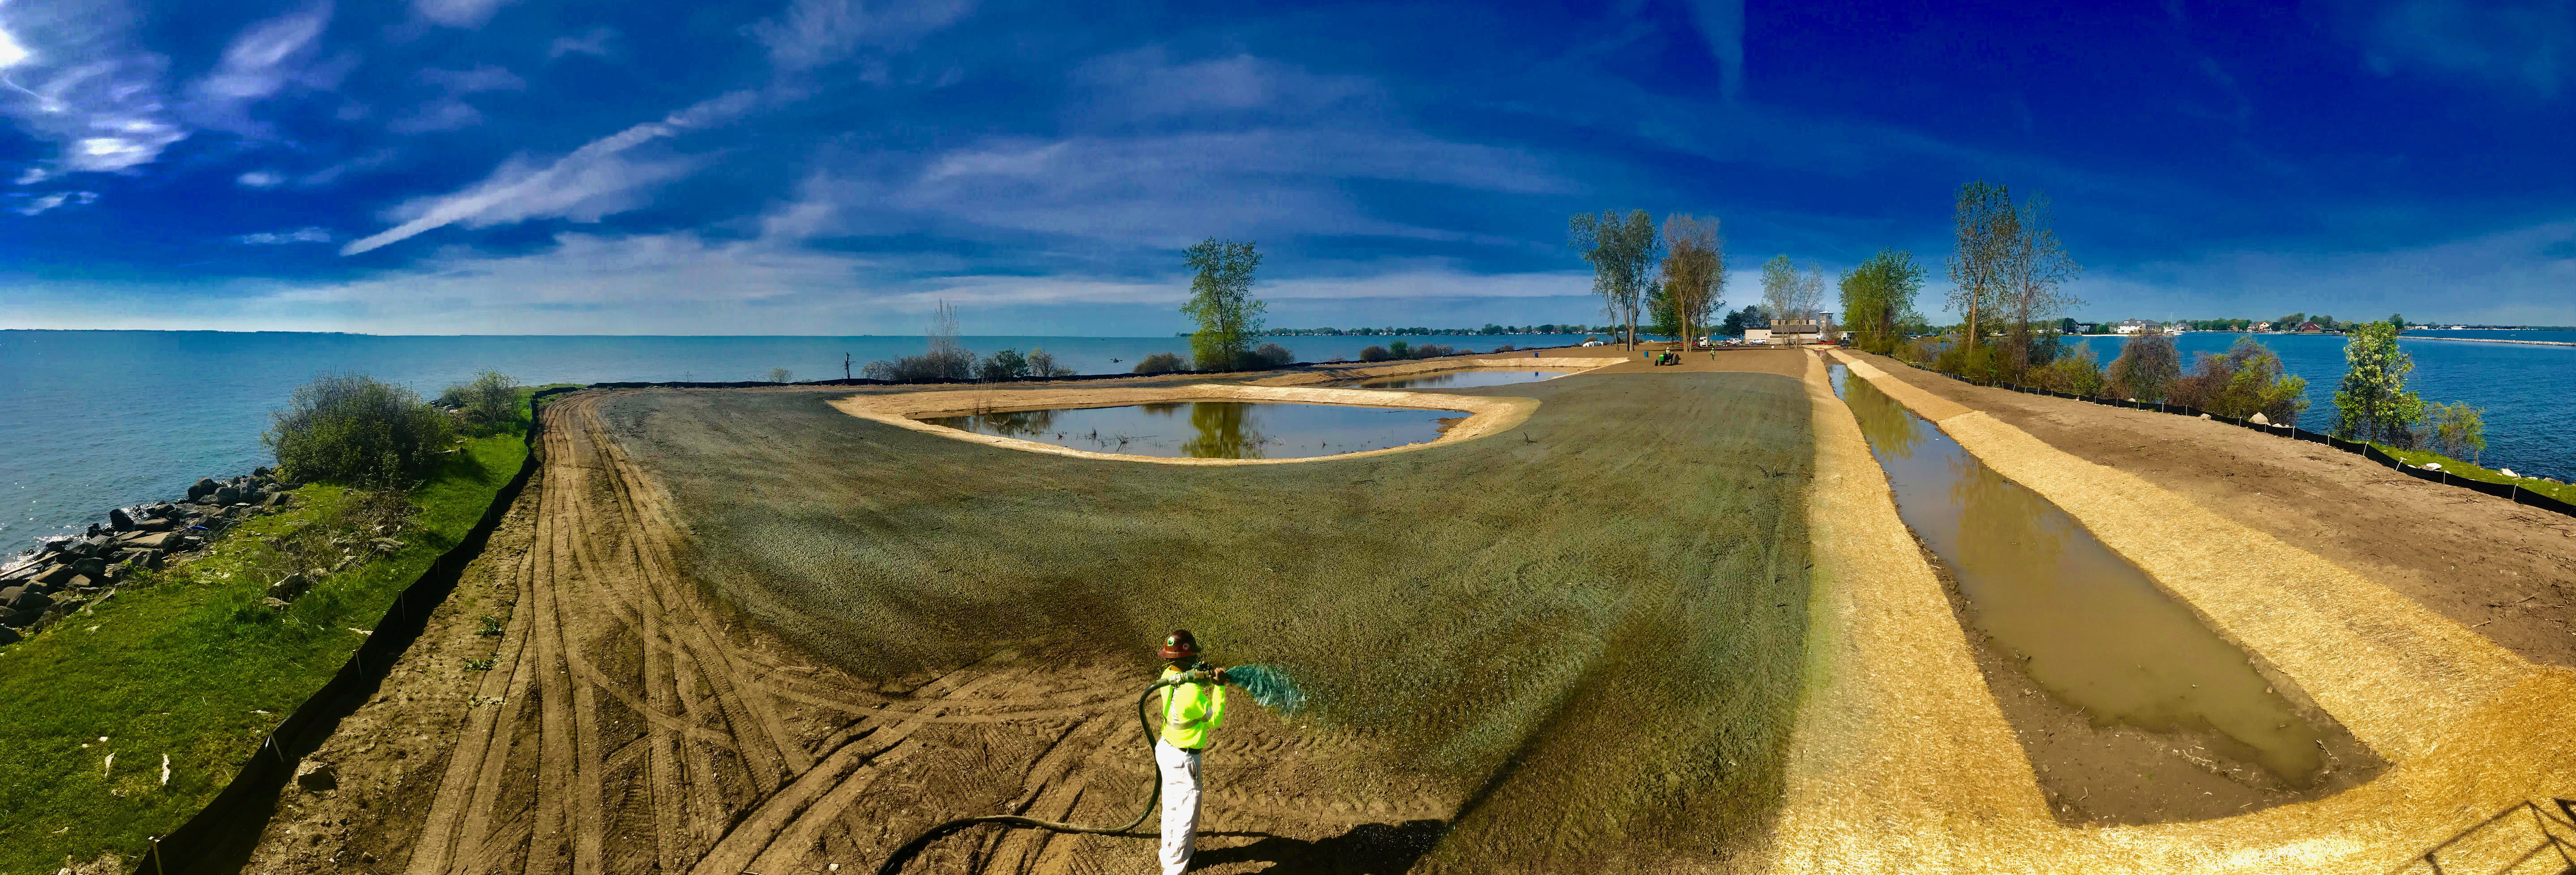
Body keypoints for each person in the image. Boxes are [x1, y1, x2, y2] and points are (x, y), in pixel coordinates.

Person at [1152, 629, 1227, 875]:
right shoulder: (1193, 694)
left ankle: (1170, 855)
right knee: (1187, 814)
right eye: (1192, 657)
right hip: (1184, 760)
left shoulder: (1167, 676)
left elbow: (1188, 683)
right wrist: (1219, 688)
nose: (1196, 660)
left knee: (1172, 806)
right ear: (1184, 660)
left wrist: (1201, 676)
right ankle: (1175, 870)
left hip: (1166, 749)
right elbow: (1214, 718)